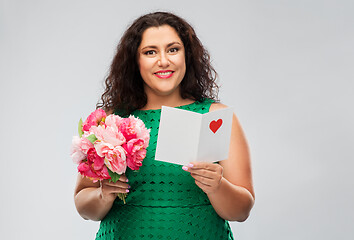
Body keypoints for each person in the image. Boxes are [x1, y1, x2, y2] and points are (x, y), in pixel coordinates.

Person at [74, 11, 255, 239]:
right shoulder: (111, 122)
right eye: (150, 52)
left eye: (173, 49)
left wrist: (217, 186)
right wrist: (103, 195)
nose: (163, 61)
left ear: (186, 55)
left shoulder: (214, 117)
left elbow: (241, 211)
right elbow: (83, 205)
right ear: (134, 60)